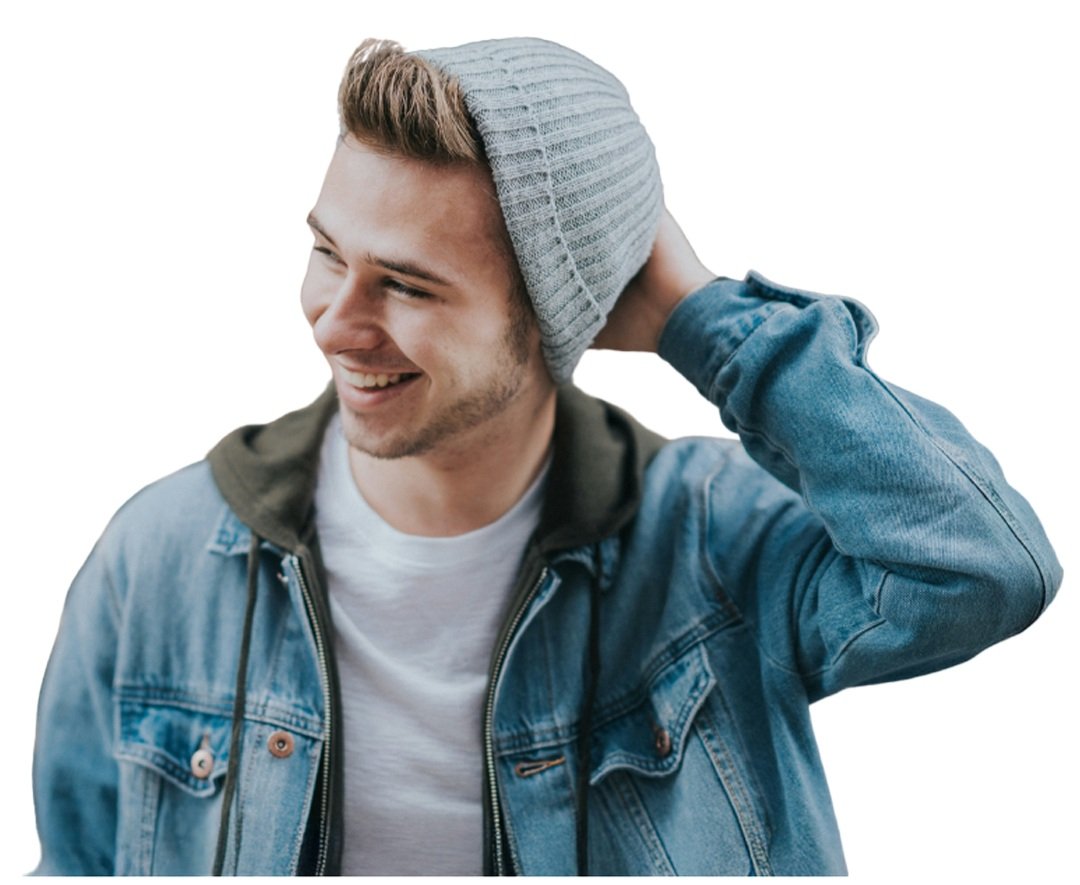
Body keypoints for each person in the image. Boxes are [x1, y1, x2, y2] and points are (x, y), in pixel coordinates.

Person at [32, 36, 1062, 876]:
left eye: (409, 286)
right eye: (329, 254)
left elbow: (981, 566)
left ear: (557, 321)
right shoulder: (162, 556)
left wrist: (701, 318)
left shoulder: (713, 551)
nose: (335, 324)